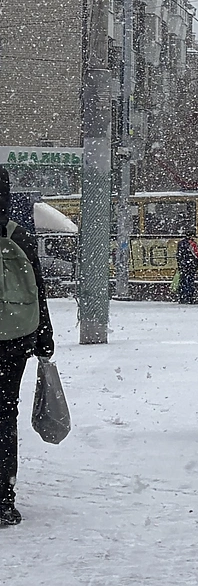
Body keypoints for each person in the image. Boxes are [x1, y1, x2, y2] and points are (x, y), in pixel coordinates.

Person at [0, 169, 54, 526]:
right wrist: (44, 335)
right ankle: (4, 497)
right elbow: (38, 287)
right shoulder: (19, 234)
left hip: (15, 336)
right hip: (15, 336)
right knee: (5, 414)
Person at [175, 231, 198, 305]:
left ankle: (182, 297)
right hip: (191, 265)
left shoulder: (180, 243)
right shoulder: (192, 243)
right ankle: (189, 298)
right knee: (190, 281)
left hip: (183, 265)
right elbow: (195, 253)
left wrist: (180, 264)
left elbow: (178, 255)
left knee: (183, 281)